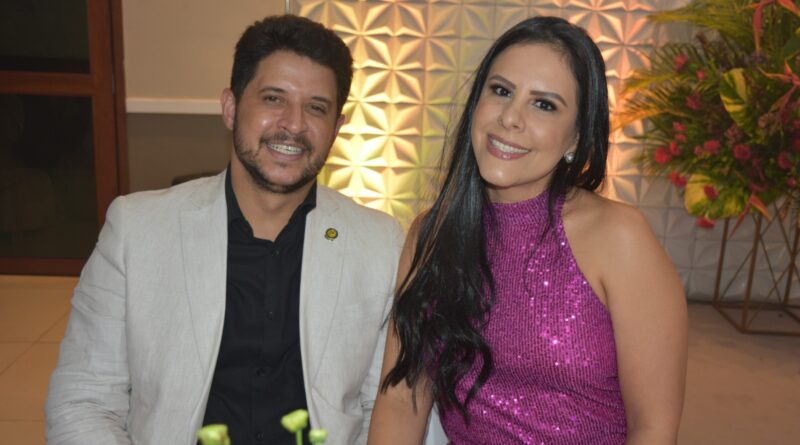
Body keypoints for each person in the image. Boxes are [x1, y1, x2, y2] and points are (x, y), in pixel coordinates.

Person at [45, 15, 403, 445]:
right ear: (231, 108)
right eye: (273, 98)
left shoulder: (380, 245)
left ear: (337, 128)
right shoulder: (136, 231)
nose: (293, 124)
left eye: (316, 108)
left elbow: (384, 410)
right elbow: (84, 400)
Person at [368, 16, 688, 445]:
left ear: (575, 138)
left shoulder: (619, 237)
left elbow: (654, 428)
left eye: (544, 105)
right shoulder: (433, 234)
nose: (510, 118)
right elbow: (401, 397)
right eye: (501, 91)